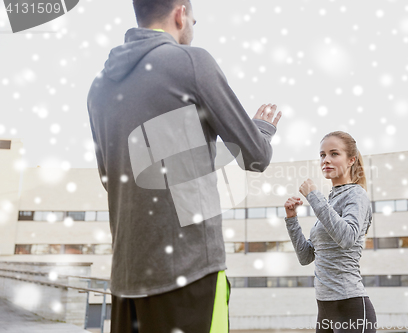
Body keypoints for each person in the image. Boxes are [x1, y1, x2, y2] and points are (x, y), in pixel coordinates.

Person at [86, 0, 282, 331]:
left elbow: (112, 178)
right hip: (191, 274)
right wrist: (261, 129)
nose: (192, 26)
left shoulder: (98, 88)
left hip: (126, 281)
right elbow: (255, 156)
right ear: (180, 13)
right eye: (193, 18)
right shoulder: (192, 62)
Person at [284, 131, 377, 333]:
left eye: (334, 154)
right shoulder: (330, 201)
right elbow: (306, 256)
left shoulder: (356, 195)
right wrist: (291, 219)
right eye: (322, 155)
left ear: (351, 159)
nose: (326, 160)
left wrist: (314, 196)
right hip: (325, 308)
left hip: (350, 307)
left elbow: (347, 238)